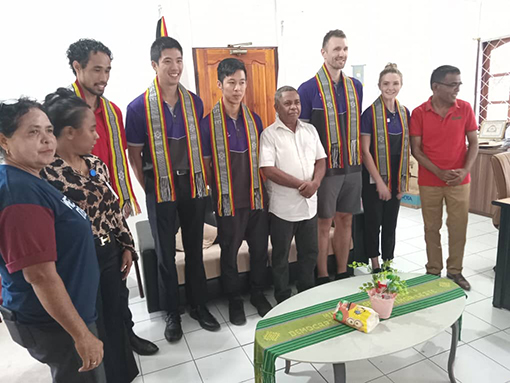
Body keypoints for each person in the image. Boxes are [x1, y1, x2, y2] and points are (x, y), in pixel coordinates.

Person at [0, 98, 105, 382]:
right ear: (5, 140)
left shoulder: (31, 178)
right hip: (55, 325)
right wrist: (81, 335)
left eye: (48, 130)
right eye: (33, 132)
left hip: (66, 316)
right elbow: (40, 276)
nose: (47, 140)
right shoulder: (19, 194)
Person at [40, 89, 139, 382]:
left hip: (109, 253)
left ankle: (122, 375)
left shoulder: (95, 164)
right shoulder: (47, 175)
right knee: (90, 323)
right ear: (69, 133)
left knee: (115, 316)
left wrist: (126, 245)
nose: (97, 136)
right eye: (92, 129)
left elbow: (113, 209)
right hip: (77, 262)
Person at [66, 38, 157, 355]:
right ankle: (96, 344)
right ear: (77, 68)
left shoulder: (113, 111)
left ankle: (125, 336)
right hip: (77, 214)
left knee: (118, 280)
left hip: (110, 210)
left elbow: (116, 163)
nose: (103, 77)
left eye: (107, 70)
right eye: (96, 70)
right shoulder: (62, 111)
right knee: (87, 290)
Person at [126, 36, 220, 342]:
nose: (175, 67)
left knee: (194, 249)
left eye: (179, 60)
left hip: (191, 184)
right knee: (166, 255)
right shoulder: (138, 107)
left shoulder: (194, 101)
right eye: (168, 61)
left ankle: (199, 306)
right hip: (160, 187)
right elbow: (135, 156)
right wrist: (150, 189)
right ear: (155, 65)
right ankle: (171, 313)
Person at [200, 58, 272, 325]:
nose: (238, 89)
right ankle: (234, 300)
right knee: (229, 253)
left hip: (256, 198)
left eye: (242, 82)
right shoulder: (207, 124)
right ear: (220, 84)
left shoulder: (254, 119)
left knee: (258, 250)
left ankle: (257, 294)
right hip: (227, 201)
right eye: (232, 83)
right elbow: (207, 167)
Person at [298, 30, 363, 284]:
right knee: (323, 223)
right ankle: (323, 274)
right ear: (324, 52)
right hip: (325, 170)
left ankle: (343, 272)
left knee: (346, 220)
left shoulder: (355, 86)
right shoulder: (308, 89)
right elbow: (303, 137)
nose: (341, 54)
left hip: (352, 167)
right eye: (336, 49)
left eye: (345, 49)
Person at [410, 65, 478, 291]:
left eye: (459, 83)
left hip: (459, 182)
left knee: (458, 227)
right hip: (430, 181)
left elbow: (474, 143)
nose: (457, 89)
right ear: (436, 87)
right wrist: (438, 171)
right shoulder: (419, 113)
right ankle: (433, 270)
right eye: (452, 84)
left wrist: (465, 170)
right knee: (432, 228)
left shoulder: (465, 108)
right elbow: (416, 150)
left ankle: (455, 271)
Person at [259, 86, 326, 303]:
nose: (293, 107)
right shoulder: (269, 135)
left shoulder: (310, 130)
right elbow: (268, 169)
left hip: (309, 207)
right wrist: (301, 184)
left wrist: (315, 183)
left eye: (296, 102)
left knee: (309, 254)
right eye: (287, 103)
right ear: (276, 107)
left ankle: (306, 295)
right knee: (280, 258)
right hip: (283, 209)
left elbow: (321, 160)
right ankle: (283, 299)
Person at [360, 64, 411, 271]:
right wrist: (380, 182)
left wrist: (404, 182)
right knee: (374, 222)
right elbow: (365, 151)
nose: (391, 88)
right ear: (379, 85)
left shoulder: (404, 112)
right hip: (374, 176)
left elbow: (408, 149)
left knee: (391, 223)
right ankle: (374, 263)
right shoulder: (369, 114)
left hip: (396, 176)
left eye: (395, 83)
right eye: (386, 83)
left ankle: (388, 261)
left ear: (401, 85)